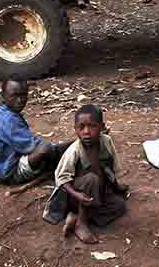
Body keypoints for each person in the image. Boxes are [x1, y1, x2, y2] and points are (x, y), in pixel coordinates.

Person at [51, 104, 128, 244]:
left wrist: (116, 187)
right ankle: (81, 223)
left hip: (96, 194)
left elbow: (111, 166)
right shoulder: (74, 150)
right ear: (75, 129)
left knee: (120, 206)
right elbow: (61, 179)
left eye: (92, 126)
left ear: (102, 126)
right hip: (76, 196)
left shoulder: (106, 141)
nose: (86, 131)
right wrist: (76, 194)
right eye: (81, 127)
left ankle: (77, 217)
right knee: (91, 179)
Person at [0, 78, 69, 184]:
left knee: (50, 148)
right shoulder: (8, 120)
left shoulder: (5, 112)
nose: (19, 100)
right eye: (14, 96)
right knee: (45, 149)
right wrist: (55, 149)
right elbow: (31, 147)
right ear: (3, 96)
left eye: (23, 95)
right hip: (6, 173)